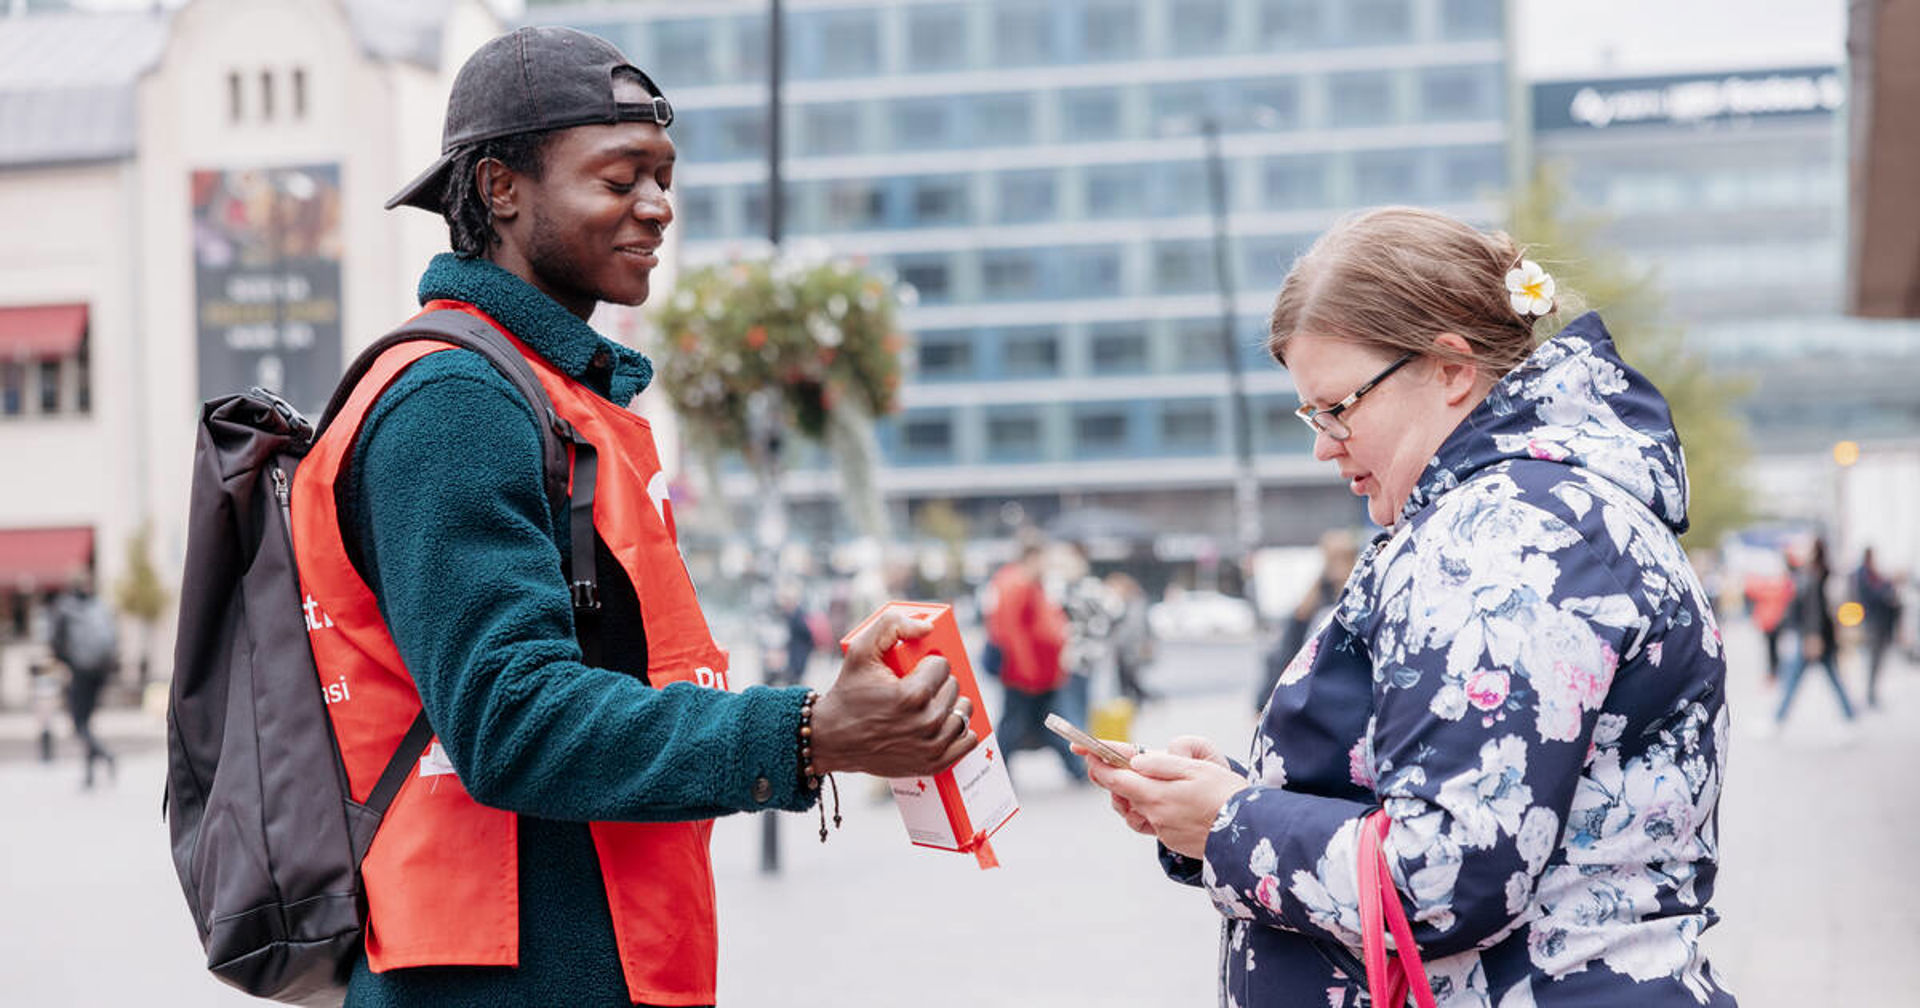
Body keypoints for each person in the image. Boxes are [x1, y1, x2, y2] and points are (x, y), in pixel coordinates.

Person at [300, 27, 977, 1007]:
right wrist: (807, 733)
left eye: (664, 178)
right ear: (500, 188)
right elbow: (510, 718)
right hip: (494, 979)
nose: (658, 208)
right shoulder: (453, 401)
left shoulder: (542, 391)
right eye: (621, 179)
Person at [1083, 207, 1736, 1006]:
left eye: (1337, 406)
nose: (1323, 443)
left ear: (1451, 368)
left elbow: (1447, 875)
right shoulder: (1523, 513)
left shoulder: (1506, 537)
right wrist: (1224, 802)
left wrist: (1230, 823)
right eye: (1310, 414)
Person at [985, 542, 1078, 783]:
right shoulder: (1018, 584)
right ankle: (1075, 769)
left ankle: (1074, 768)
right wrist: (1027, 670)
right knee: (1019, 724)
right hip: (1028, 673)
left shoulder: (1020, 583)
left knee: (1027, 723)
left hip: (1036, 672)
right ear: (1031, 557)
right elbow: (1013, 632)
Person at [1255, 528, 1358, 710]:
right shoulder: (1312, 601)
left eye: (1343, 558)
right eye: (1332, 558)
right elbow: (1287, 651)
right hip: (1313, 692)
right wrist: (1263, 702)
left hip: (1349, 693)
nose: (1338, 565)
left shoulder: (1361, 596)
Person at [1773, 537, 1855, 725]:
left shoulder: (1816, 575)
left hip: (1815, 638)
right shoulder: (1813, 573)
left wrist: (1813, 636)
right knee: (1829, 680)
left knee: (1795, 681)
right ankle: (1850, 717)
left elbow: (1815, 610)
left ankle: (1777, 720)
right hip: (1815, 637)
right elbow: (1793, 571)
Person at [48, 583, 118, 788]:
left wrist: (67, 662)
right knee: (86, 721)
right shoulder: (98, 606)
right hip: (100, 671)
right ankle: (90, 771)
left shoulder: (65, 608)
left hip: (81, 671)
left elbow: (54, 641)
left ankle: (105, 755)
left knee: (79, 723)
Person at [1853, 546, 1904, 708]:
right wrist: (1888, 588)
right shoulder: (1864, 574)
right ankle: (1870, 695)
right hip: (1874, 622)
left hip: (1879, 622)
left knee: (1877, 660)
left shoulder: (1872, 574)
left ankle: (1871, 693)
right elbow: (1874, 594)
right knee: (1874, 659)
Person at [1104, 571, 1155, 704]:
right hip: (1122, 647)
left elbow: (1139, 627)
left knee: (1130, 679)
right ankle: (1131, 702)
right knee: (1125, 679)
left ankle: (1140, 700)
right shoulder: (1122, 603)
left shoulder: (1135, 603)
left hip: (1132, 648)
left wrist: (1146, 644)